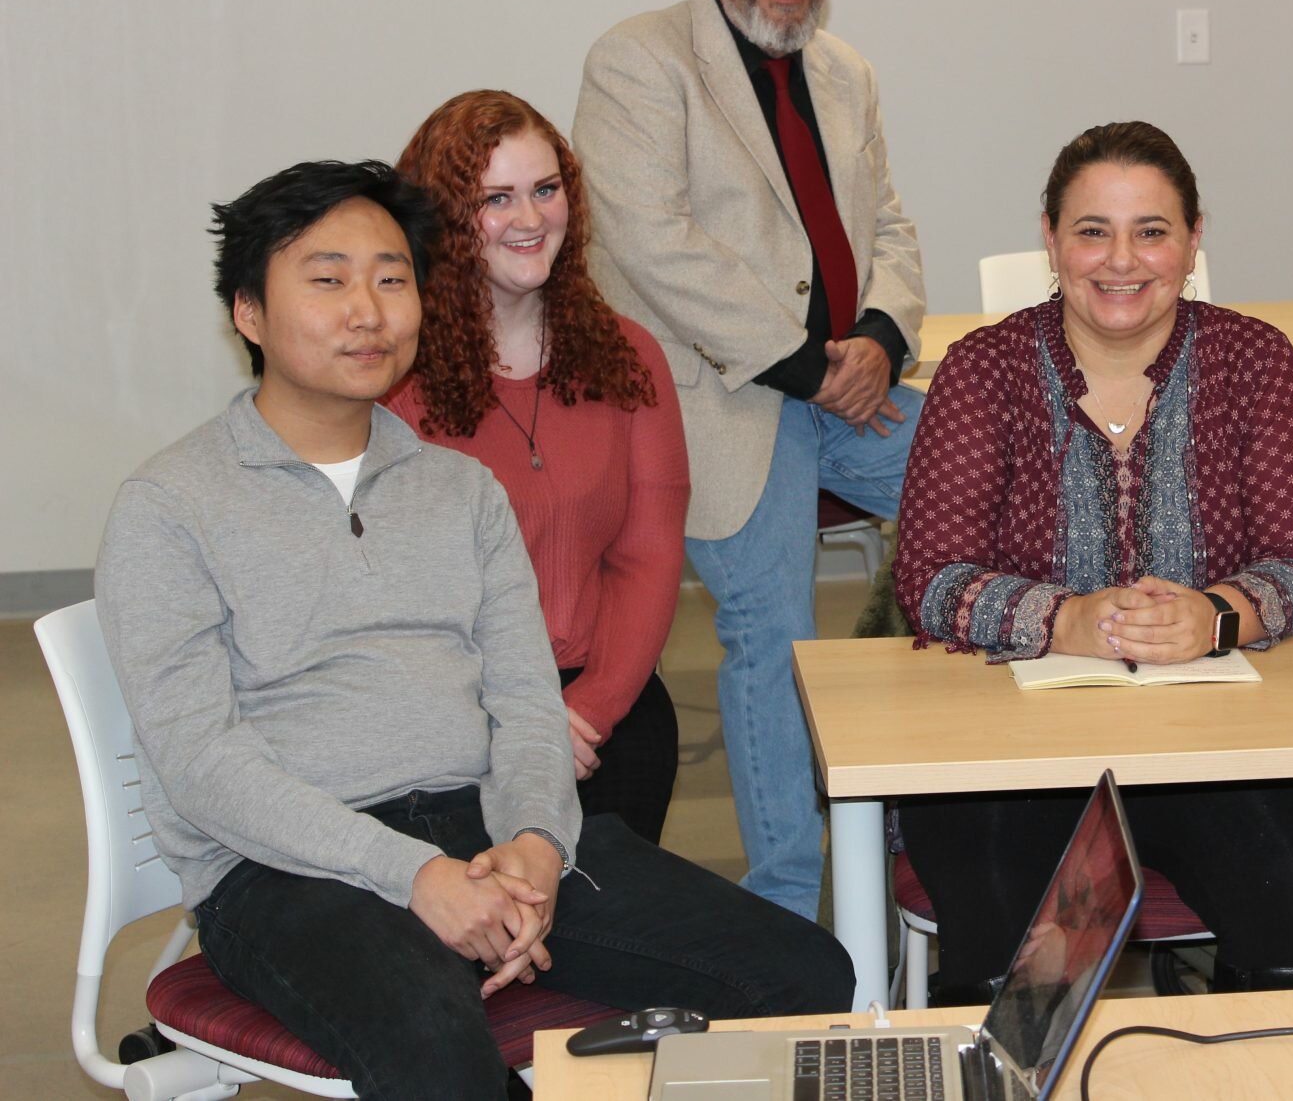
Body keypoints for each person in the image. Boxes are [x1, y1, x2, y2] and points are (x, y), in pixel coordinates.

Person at [96, 161, 852, 1101]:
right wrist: (416, 875)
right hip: (285, 866)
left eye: (391, 278)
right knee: (437, 1053)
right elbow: (202, 763)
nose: (367, 311)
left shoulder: (459, 489)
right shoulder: (169, 506)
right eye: (327, 280)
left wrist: (535, 840)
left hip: (487, 825)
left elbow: (527, 701)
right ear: (248, 312)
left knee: (801, 973)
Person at [891, 121, 1293, 1005]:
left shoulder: (1255, 362)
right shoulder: (983, 369)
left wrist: (1217, 615)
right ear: (1050, 239)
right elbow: (932, 579)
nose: (1121, 260)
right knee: (1014, 945)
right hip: (1012, 762)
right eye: (1092, 230)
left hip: (1216, 749)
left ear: (1192, 240)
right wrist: (1065, 620)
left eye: (1151, 230)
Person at [573, 0, 925, 920]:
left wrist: (876, 334)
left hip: (847, 387)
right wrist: (807, 363)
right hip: (719, 399)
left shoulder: (844, 71)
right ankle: (784, 903)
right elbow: (649, 243)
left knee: (1003, 500)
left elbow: (892, 227)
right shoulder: (638, 63)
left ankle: (943, 814)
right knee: (772, 631)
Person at [386, 90, 688, 845]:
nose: (530, 220)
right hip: (457, 728)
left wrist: (587, 709)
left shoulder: (628, 356)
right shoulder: (391, 385)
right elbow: (393, 604)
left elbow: (648, 556)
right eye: (496, 198)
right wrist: (514, 726)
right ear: (446, 220)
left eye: (545, 190)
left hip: (604, 713)